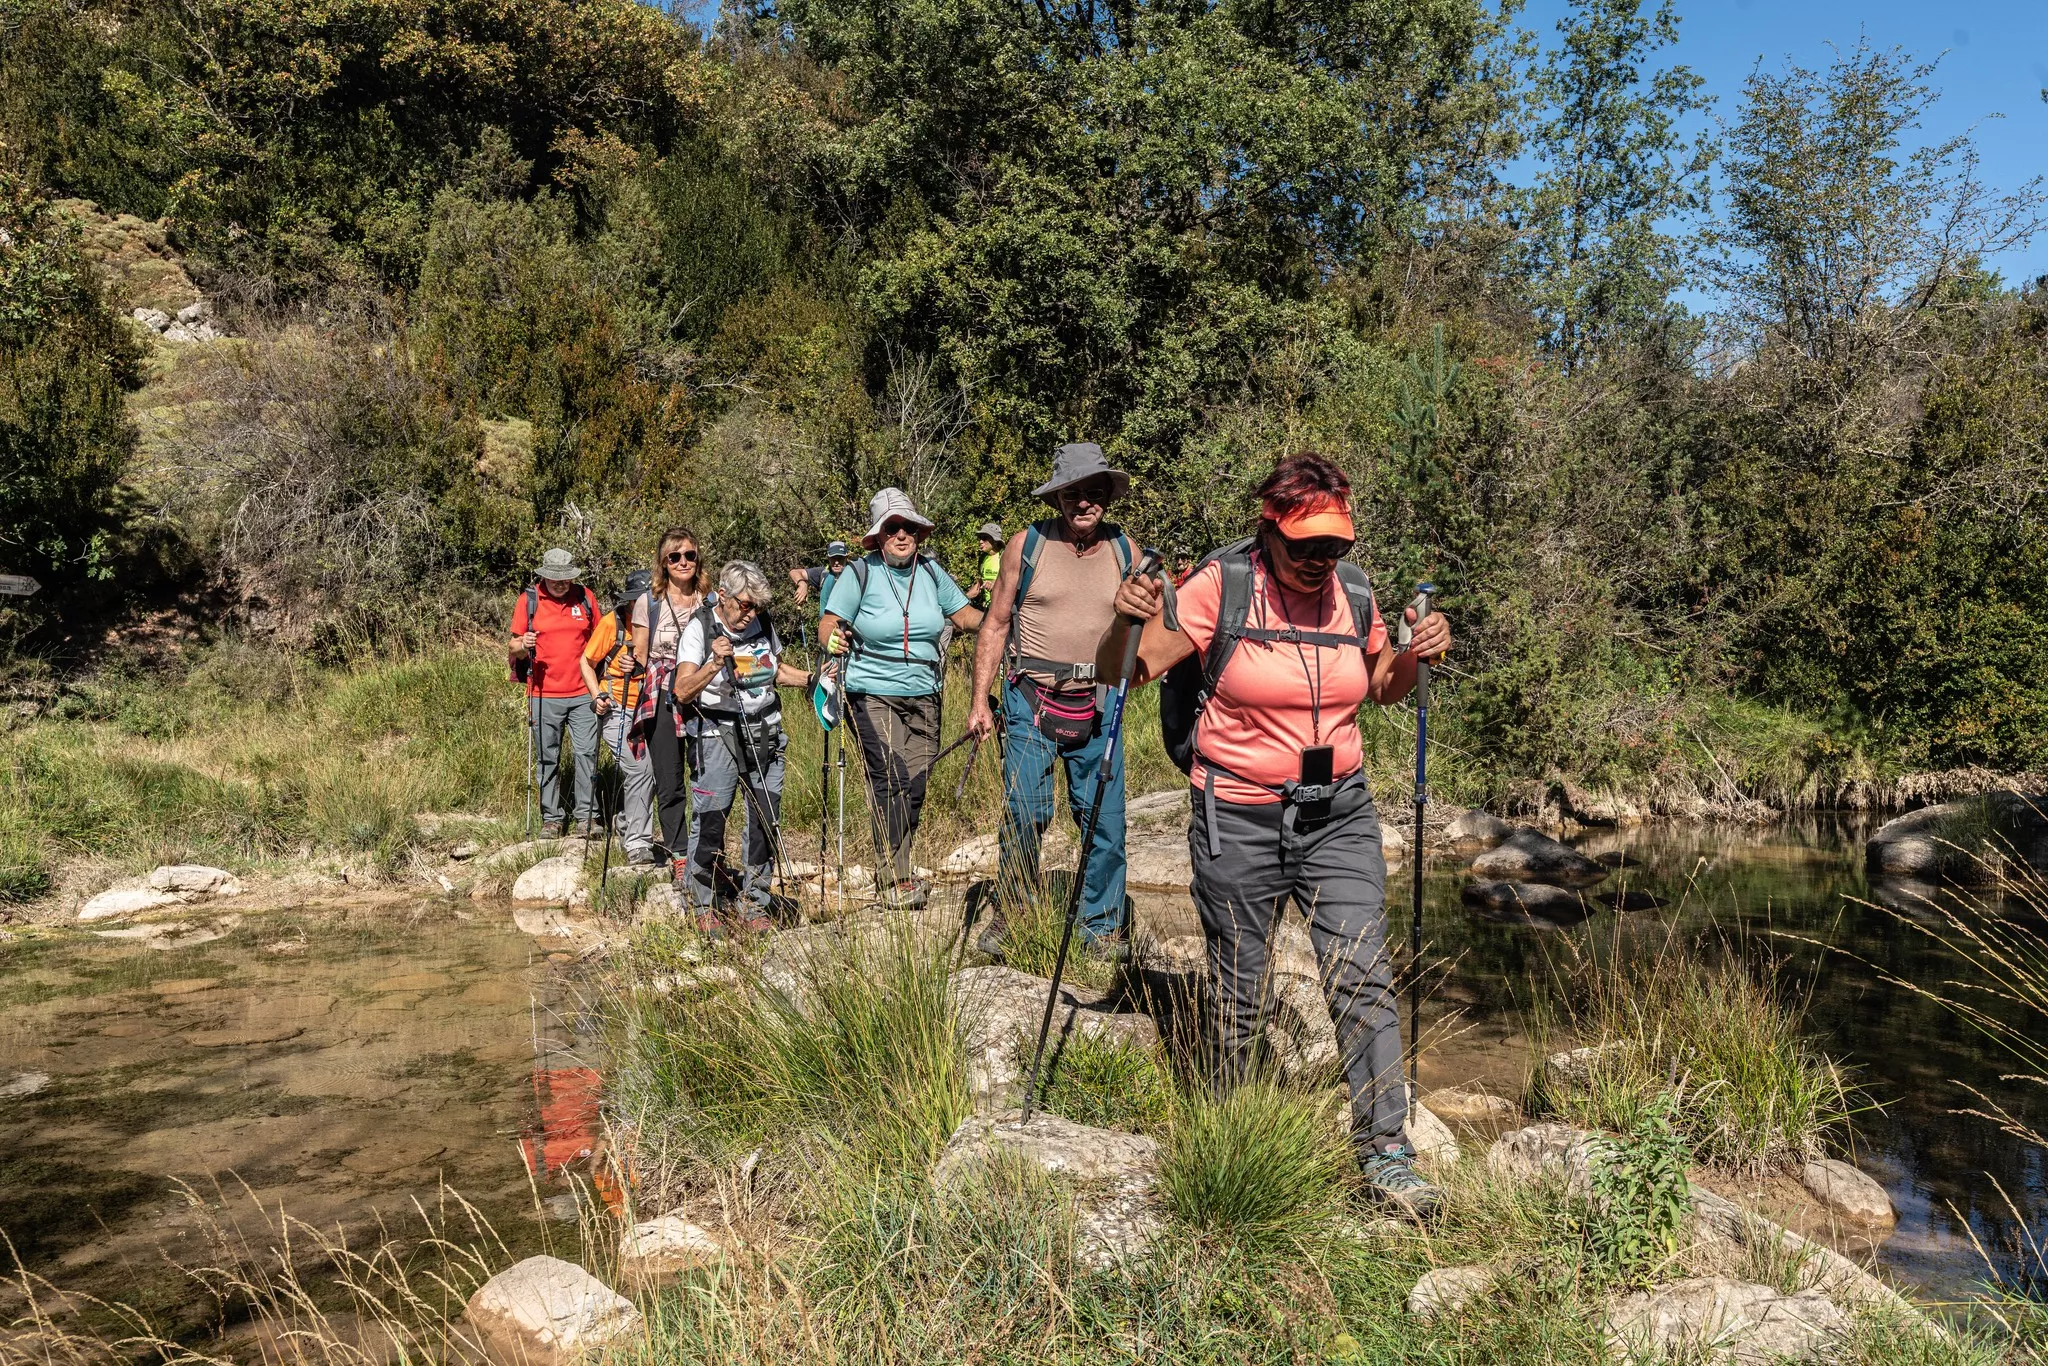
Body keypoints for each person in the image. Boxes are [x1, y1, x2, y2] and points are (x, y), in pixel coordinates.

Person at [1095, 452, 1454, 1220]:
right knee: (1239, 994)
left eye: (1336, 547)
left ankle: (1386, 1150)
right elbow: (1123, 674)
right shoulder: (1218, 588)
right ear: (1269, 532)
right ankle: (1232, 1138)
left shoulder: (1354, 594)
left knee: (1362, 975)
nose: (1323, 562)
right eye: (1306, 548)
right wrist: (1125, 617)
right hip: (1240, 814)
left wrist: (1417, 659)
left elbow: (1384, 685)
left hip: (1340, 812)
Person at [966, 445, 1136, 957]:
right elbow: (995, 624)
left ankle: (1101, 928)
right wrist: (979, 702)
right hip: (1028, 698)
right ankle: (1013, 915)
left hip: (1100, 703)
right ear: (1057, 497)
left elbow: (1146, 629)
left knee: (1105, 820)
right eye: (1071, 494)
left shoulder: (1125, 550)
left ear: (1106, 496)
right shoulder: (1027, 545)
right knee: (1024, 810)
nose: (1082, 503)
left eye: (1092, 493)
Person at [818, 488, 984, 907]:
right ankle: (896, 879)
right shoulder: (860, 573)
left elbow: (965, 616)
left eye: (908, 527)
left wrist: (1006, 621)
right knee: (890, 777)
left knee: (917, 784)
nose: (902, 534)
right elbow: (829, 622)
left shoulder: (931, 572)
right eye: (892, 528)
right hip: (872, 691)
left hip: (926, 693)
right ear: (878, 535)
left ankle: (895, 866)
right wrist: (834, 638)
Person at [675, 562, 811, 936]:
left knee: (766, 820)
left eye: (756, 607)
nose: (750, 613)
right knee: (712, 818)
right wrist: (714, 663)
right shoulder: (699, 629)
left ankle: (755, 903)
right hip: (718, 734)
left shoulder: (762, 625)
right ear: (723, 595)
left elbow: (776, 671)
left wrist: (814, 679)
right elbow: (682, 690)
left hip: (766, 731)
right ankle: (702, 902)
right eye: (745, 605)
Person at [628, 527, 711, 880]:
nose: (683, 562)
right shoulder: (649, 601)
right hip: (662, 694)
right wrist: (627, 664)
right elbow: (641, 655)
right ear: (663, 562)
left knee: (708, 775)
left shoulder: (711, 600)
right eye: (674, 557)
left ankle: (706, 850)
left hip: (706, 691)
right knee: (669, 777)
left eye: (689, 555)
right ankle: (679, 853)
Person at [508, 549, 602, 835]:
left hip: (583, 692)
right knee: (548, 756)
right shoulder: (529, 601)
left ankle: (587, 818)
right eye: (555, 579)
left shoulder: (585, 597)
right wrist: (524, 643)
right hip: (543, 694)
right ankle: (552, 819)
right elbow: (512, 647)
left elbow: (601, 639)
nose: (561, 584)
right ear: (544, 576)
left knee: (587, 754)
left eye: (566, 579)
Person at [580, 568, 658, 866]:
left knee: (655, 772)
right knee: (640, 769)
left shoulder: (661, 623)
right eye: (636, 601)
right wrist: (596, 695)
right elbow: (586, 662)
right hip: (617, 708)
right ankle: (637, 843)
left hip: (651, 708)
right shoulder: (611, 624)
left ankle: (626, 821)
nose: (640, 607)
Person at [788, 540, 852, 611]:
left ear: (846, 558)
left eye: (840, 558)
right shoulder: (824, 573)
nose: (836, 562)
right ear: (828, 558)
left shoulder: (855, 576)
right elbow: (794, 572)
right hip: (826, 621)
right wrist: (802, 584)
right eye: (833, 558)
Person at [967, 523, 1003, 606]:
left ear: (994, 541)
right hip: (988, 609)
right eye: (980, 538)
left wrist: (994, 584)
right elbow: (979, 584)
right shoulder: (983, 558)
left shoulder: (1004, 556)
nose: (980, 541)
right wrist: (963, 598)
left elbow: (1010, 584)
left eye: (984, 538)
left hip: (1002, 611)